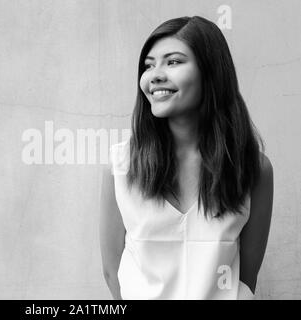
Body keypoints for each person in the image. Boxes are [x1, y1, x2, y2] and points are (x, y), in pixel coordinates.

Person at [99, 16, 273, 300]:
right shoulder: (120, 167)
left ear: (211, 72)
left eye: (174, 61)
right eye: (148, 65)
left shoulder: (254, 168)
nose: (154, 75)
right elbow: (111, 270)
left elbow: (246, 277)